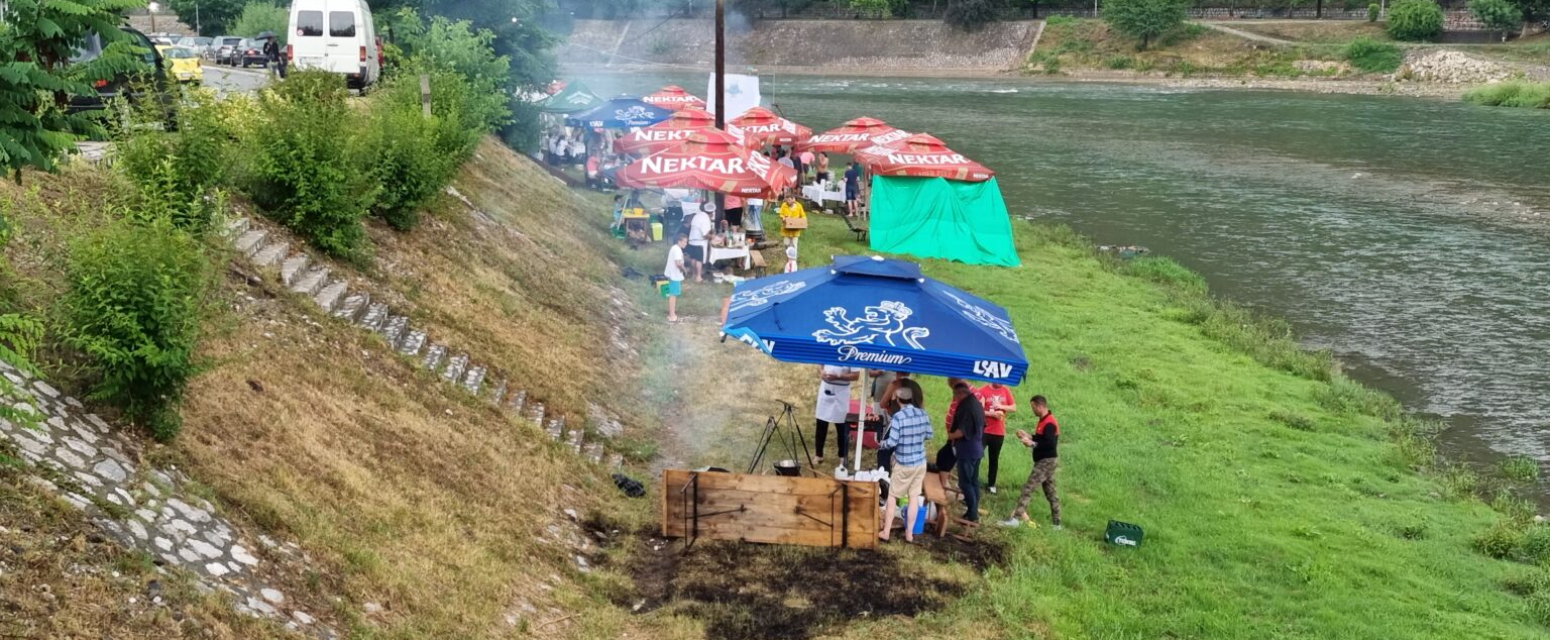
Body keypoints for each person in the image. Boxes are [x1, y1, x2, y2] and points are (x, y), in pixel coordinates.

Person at [878, 380, 930, 543]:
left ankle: (886, 532)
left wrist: (881, 444)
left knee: (893, 496)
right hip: (920, 462)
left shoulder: (898, 418)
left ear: (899, 400)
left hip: (904, 462)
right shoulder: (923, 414)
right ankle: (909, 534)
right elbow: (929, 435)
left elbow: (892, 443)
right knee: (914, 497)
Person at [1000, 395, 1062, 530]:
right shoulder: (1043, 420)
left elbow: (1050, 444)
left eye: (1033, 407)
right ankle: (1057, 525)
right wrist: (1028, 436)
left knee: (1028, 488)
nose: (1032, 410)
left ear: (1040, 406)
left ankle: (1016, 519)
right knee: (1051, 492)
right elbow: (1042, 439)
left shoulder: (1049, 423)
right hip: (1046, 461)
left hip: (1046, 462)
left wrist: (1032, 444)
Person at [947, 379, 985, 523]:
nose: (954, 398)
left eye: (955, 395)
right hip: (977, 448)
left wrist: (951, 436)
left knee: (965, 483)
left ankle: (973, 513)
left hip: (968, 451)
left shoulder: (967, 407)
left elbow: (962, 431)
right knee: (973, 481)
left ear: (961, 394)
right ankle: (972, 511)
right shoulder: (976, 403)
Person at [814, 365, 859, 465]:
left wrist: (838, 376)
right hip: (826, 388)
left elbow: (856, 376)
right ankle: (818, 455)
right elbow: (820, 365)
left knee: (841, 426)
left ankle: (842, 456)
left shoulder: (851, 352)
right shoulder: (827, 350)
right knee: (821, 423)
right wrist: (822, 373)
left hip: (841, 392)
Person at [977, 382, 1016, 494]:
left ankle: (991, 484)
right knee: (977, 456)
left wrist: (1002, 407)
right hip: (985, 430)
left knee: (994, 459)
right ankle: (973, 480)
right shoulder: (983, 390)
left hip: (999, 432)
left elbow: (1014, 407)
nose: (1000, 383)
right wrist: (991, 414)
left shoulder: (1006, 390)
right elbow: (978, 410)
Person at [663, 233, 688, 322]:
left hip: (672, 274)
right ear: (679, 241)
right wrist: (684, 269)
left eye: (686, 241)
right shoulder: (677, 250)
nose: (686, 243)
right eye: (684, 241)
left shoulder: (675, 248)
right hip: (674, 275)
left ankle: (672, 314)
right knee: (673, 295)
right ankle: (672, 315)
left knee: (673, 294)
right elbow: (678, 263)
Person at [686, 205, 713, 282]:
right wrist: (712, 237)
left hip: (692, 240)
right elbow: (705, 234)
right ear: (710, 213)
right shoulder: (705, 218)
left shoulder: (697, 215)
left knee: (693, 258)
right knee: (699, 260)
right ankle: (698, 277)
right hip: (699, 242)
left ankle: (693, 274)